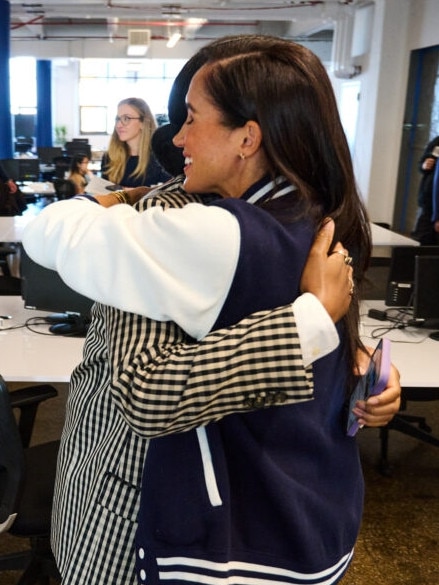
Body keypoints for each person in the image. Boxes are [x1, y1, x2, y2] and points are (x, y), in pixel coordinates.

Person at [22, 36, 401, 585]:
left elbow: (146, 392)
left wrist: (321, 331)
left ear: (248, 136)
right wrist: (354, 357)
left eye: (192, 118)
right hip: (303, 512)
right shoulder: (314, 209)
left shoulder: (195, 228)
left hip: (159, 502)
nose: (177, 138)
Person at [101, 97, 171, 188]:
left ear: (143, 123)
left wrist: (124, 192)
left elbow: (164, 195)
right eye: (117, 119)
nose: (118, 125)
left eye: (126, 118)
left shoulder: (162, 158)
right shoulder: (109, 157)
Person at [412, 135, 439, 244]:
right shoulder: (437, 141)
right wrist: (424, 165)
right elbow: (423, 161)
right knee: (422, 241)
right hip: (428, 203)